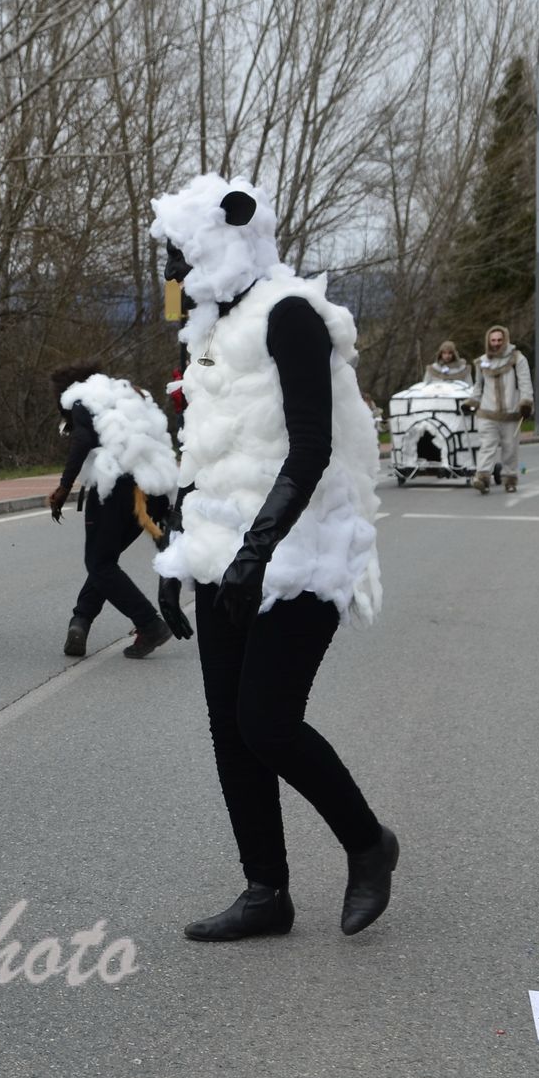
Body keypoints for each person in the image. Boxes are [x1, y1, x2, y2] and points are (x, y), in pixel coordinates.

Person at [148, 174, 398, 943]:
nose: (173, 276)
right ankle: (266, 892)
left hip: (301, 555)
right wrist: (179, 553)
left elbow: (313, 445)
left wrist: (259, 551)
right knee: (230, 728)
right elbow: (208, 455)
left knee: (268, 722)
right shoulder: (213, 330)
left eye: (181, 257)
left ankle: (369, 844)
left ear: (228, 236)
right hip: (223, 554)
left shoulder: (291, 315)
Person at [48, 360, 180, 660]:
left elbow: (81, 439)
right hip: (151, 488)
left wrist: (64, 486)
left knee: (99, 563)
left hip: (115, 488)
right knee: (104, 561)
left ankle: (149, 623)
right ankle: (80, 620)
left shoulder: (81, 402)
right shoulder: (130, 397)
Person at [470, 325, 532, 494]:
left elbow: (525, 382)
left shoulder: (518, 359)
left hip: (511, 413)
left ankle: (510, 479)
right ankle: (482, 477)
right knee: (486, 446)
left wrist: (526, 403)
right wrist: (472, 402)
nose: (496, 343)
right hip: (487, 412)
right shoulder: (482, 361)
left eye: (499, 340)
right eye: (493, 340)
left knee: (510, 448)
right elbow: (478, 386)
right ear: (488, 342)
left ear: (505, 340)